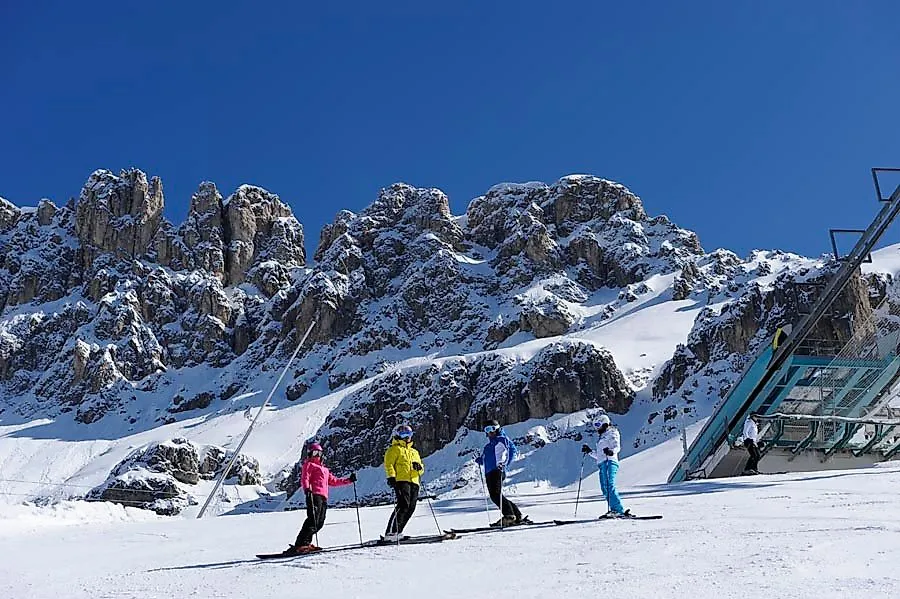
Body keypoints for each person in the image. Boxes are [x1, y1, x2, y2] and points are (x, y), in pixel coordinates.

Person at [287, 442, 356, 555]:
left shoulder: (324, 469)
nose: (317, 455)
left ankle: (306, 543)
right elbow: (305, 478)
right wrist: (307, 490)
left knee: (319, 522)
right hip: (314, 494)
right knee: (312, 520)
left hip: (323, 496)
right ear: (310, 453)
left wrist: (349, 480)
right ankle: (300, 544)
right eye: (315, 452)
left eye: (319, 453)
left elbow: (334, 481)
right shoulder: (308, 465)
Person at [475, 419, 528, 527]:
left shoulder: (502, 439)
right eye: (487, 430)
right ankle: (517, 515)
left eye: (492, 429)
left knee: (495, 495)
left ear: (497, 429)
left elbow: (511, 451)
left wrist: (504, 464)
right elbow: (488, 458)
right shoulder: (489, 445)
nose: (490, 432)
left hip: (496, 471)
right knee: (497, 495)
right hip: (489, 472)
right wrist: (481, 460)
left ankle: (509, 516)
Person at [581, 414, 629, 518]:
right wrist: (589, 451)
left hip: (610, 461)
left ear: (604, 423)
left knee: (609, 485)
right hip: (602, 463)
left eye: (598, 425)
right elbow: (599, 455)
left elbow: (617, 446)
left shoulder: (612, 432)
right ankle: (613, 509)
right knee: (604, 488)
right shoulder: (602, 437)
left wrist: (611, 452)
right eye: (595, 426)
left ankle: (618, 510)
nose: (597, 428)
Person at [383, 424, 424, 541]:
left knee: (411, 507)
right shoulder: (394, 450)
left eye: (409, 434)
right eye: (404, 434)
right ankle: (390, 533)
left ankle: (398, 532)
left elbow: (422, 469)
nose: (407, 437)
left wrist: (419, 467)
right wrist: (391, 477)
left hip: (414, 481)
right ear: (398, 435)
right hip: (401, 480)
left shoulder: (414, 452)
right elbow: (389, 464)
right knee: (403, 505)